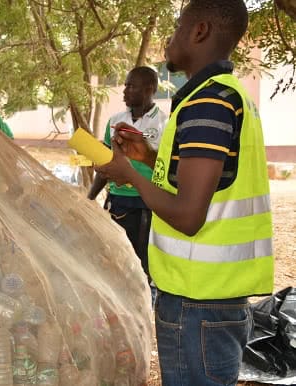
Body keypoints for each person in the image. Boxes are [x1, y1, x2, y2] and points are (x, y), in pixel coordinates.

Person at [96, 1, 274, 384]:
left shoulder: (207, 102)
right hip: (213, 299)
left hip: (197, 302)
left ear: (200, 31)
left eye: (178, 26)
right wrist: (149, 156)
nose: (170, 38)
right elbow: (208, 179)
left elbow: (189, 214)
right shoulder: (228, 96)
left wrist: (129, 173)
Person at [88, 66, 168, 284]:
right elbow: (106, 163)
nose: (124, 91)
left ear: (149, 89)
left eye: (131, 86)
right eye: (125, 85)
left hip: (145, 203)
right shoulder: (115, 120)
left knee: (140, 264)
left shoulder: (164, 123)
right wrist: (90, 198)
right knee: (113, 260)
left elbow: (167, 166)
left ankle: (143, 305)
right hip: (117, 202)